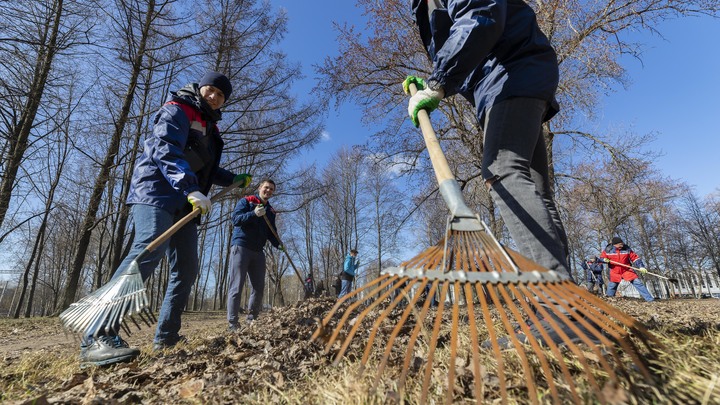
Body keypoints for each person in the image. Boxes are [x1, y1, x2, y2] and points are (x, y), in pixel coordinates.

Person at [407, 0, 599, 348]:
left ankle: (557, 304)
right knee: (536, 191)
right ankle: (566, 302)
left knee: (502, 170)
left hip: (512, 74)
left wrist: (437, 83)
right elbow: (470, 44)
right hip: (517, 75)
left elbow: (482, 16)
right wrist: (437, 73)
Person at [79, 71, 252, 368]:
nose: (214, 97)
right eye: (211, 90)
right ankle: (97, 336)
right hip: (156, 192)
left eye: (221, 95)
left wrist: (231, 179)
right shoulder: (178, 109)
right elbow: (166, 150)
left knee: (187, 267)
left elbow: (204, 168)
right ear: (201, 88)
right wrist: (190, 188)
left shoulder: (211, 130)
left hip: (186, 200)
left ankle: (167, 336)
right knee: (148, 247)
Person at [227, 179, 283, 330]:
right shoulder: (247, 201)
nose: (268, 191)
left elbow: (272, 232)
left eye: (271, 189)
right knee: (236, 286)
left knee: (258, 287)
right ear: (260, 188)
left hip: (258, 251)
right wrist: (253, 213)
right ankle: (233, 323)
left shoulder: (270, 211)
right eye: (266, 188)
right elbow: (236, 220)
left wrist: (279, 244)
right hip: (241, 247)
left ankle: (252, 319)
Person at [600, 237, 654, 302]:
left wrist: (641, 266)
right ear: (614, 244)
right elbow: (601, 258)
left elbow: (635, 258)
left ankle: (649, 299)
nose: (621, 245)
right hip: (615, 271)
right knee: (612, 286)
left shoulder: (627, 249)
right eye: (619, 244)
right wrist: (604, 260)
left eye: (622, 244)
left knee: (638, 283)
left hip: (627, 270)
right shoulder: (608, 250)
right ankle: (608, 300)